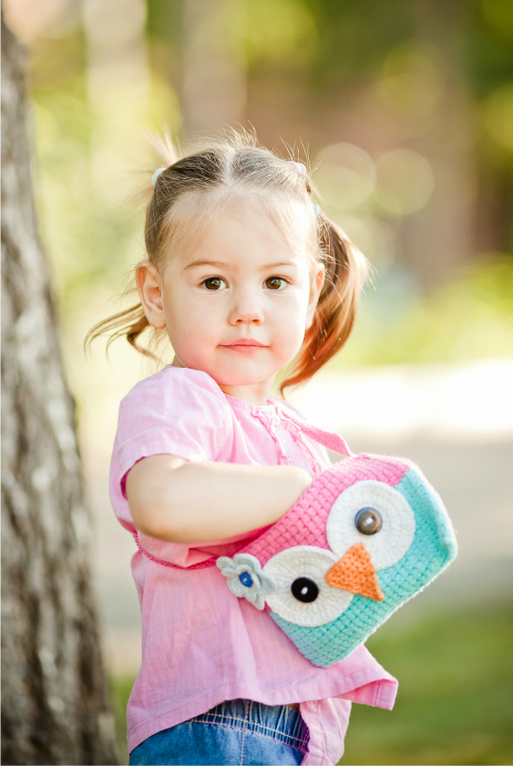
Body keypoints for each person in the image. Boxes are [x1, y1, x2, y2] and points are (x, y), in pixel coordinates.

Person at [88, 131, 398, 765]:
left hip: (288, 726)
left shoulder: (292, 431)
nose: (247, 310)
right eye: (212, 283)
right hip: (219, 723)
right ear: (156, 294)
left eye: (276, 281)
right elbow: (161, 502)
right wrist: (297, 491)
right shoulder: (179, 399)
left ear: (311, 291)